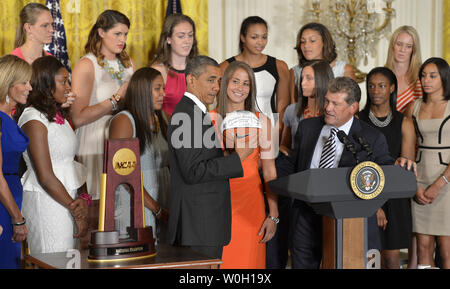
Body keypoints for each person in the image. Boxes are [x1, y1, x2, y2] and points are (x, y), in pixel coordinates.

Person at [275, 77, 415, 269]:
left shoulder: (371, 138)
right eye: (326, 101)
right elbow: (293, 165)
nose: (328, 108)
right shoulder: (308, 128)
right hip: (306, 216)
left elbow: (384, 171)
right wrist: (266, 167)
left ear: (353, 107)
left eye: (335, 103)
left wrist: (399, 165)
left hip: (349, 220)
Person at [167, 55, 253, 259]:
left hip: (201, 224)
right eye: (210, 80)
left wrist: (226, 153)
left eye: (219, 81)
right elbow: (193, 171)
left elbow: (197, 160)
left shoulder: (194, 112)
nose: (216, 87)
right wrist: (237, 158)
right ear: (191, 80)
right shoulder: (187, 115)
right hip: (198, 225)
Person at [70, 10, 135, 246]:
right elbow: (77, 117)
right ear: (101, 32)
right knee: (99, 217)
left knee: (123, 214)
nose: (122, 40)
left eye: (125, 34)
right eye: (117, 33)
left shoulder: (127, 64)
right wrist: (117, 99)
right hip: (94, 147)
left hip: (122, 146)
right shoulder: (87, 65)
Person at [15, 56, 88, 254]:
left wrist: (83, 198)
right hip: (46, 201)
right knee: (54, 259)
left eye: (68, 81)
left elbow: (70, 162)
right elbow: (45, 175)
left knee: (69, 261)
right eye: (63, 81)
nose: (69, 87)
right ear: (46, 84)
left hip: (67, 200)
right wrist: (76, 211)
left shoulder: (57, 115)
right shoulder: (32, 118)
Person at [267, 59, 334, 269]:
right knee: (299, 247)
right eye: (301, 78)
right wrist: (282, 152)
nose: (302, 83)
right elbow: (286, 146)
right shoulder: (293, 111)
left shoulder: (332, 113)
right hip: (297, 183)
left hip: (326, 185)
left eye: (309, 78)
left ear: (322, 81)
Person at [211, 61, 278, 268]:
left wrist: (273, 215)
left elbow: (269, 171)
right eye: (236, 82)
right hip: (218, 204)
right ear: (224, 84)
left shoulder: (263, 121)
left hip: (251, 204)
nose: (240, 88)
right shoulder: (210, 119)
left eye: (246, 84)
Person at [358, 67, 416, 269]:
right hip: (363, 193)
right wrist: (375, 205)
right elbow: (357, 164)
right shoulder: (357, 120)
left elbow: (404, 168)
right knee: (369, 258)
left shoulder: (404, 122)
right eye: (371, 86)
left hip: (394, 196)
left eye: (381, 86)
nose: (376, 90)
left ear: (392, 88)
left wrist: (384, 202)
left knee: (391, 259)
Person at [108, 67, 170, 242]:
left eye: (163, 88)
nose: (163, 94)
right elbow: (123, 173)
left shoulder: (164, 118)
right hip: (135, 200)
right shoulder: (124, 120)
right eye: (157, 88)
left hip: (164, 194)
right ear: (142, 90)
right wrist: (156, 209)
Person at [405, 57, 450, 269]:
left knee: (447, 248)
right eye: (423, 75)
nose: (426, 80)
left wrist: (440, 183)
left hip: (447, 182)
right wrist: (414, 186)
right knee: (423, 247)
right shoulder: (413, 107)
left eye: (432, 75)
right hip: (420, 179)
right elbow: (407, 150)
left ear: (444, 77)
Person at [219, 16, 290, 138]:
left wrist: (277, 137)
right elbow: (221, 104)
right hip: (233, 133)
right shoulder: (225, 67)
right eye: (254, 37)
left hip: (268, 134)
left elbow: (283, 107)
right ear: (243, 38)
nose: (260, 42)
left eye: (264, 37)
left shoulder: (280, 66)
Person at [0, 55, 31, 268]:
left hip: (12, 195)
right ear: (8, 84)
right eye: (24, 82)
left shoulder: (8, 116)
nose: (30, 87)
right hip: (4, 203)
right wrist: (17, 218)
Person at [289, 22, 356, 104]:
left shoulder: (344, 69)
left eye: (312, 41)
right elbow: (292, 107)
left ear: (324, 42)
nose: (306, 45)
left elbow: (352, 105)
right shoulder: (294, 72)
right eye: (303, 41)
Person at [150, 14, 198, 121]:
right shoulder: (158, 70)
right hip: (167, 133)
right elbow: (149, 110)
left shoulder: (199, 68)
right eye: (181, 36)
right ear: (168, 39)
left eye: (190, 35)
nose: (187, 41)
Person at [385, 25, 423, 113]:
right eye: (399, 44)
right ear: (392, 46)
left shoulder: (422, 79)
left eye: (408, 46)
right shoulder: (381, 76)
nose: (402, 50)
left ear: (414, 50)